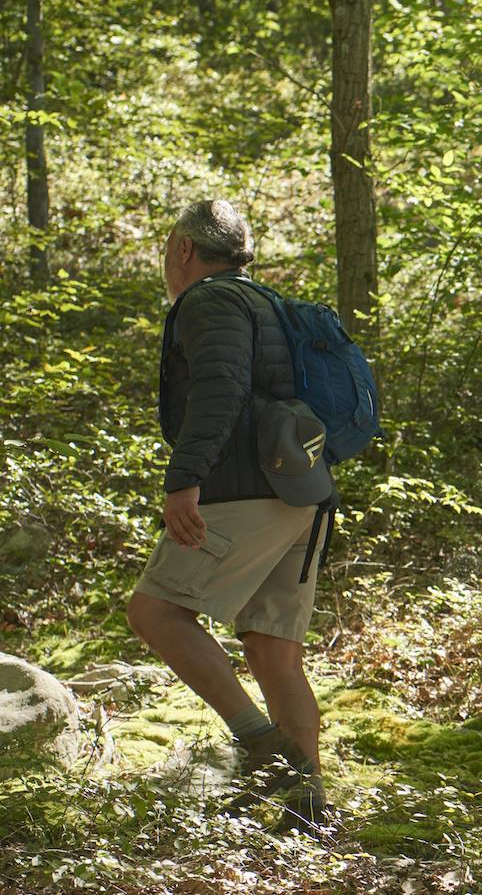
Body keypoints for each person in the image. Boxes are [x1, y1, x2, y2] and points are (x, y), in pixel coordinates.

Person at [126, 200, 336, 833]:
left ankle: (261, 748)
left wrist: (184, 479)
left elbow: (219, 388)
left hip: (245, 488)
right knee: (274, 651)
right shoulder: (261, 300)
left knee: (155, 611)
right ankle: (304, 815)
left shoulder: (210, 302)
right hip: (300, 490)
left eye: (168, 249)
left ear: (185, 249)